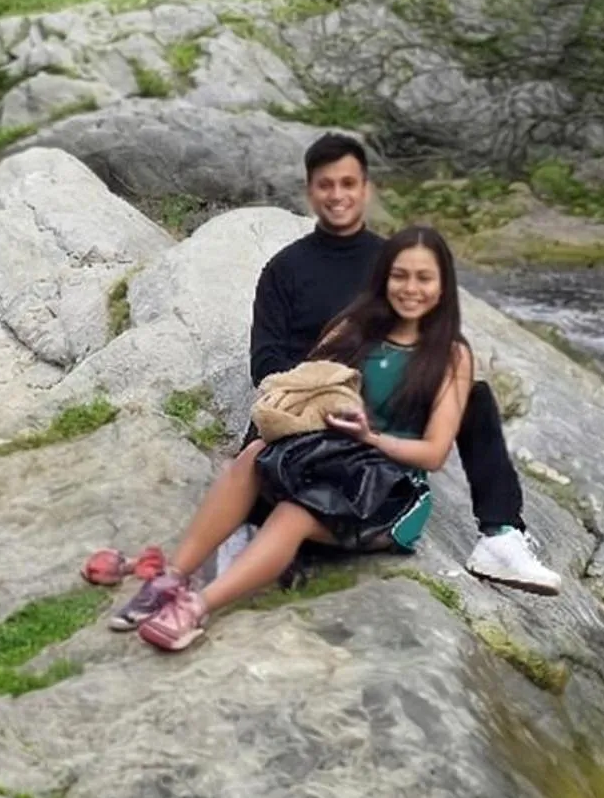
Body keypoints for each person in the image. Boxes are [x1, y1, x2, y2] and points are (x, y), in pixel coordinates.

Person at [118, 226, 475, 651]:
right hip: (334, 454)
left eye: (424, 278)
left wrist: (372, 437)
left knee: (296, 511)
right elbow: (302, 385)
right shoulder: (352, 326)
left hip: (388, 489)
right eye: (400, 276)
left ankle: (197, 606)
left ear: (443, 285)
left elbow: (434, 453)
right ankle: (172, 578)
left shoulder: (452, 355)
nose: (410, 288)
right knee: (253, 455)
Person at [247, 132, 560, 594]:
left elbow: (426, 340)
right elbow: (266, 363)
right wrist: (331, 389)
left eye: (349, 183)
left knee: (472, 394)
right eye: (326, 185)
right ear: (310, 191)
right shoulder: (284, 269)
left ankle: (500, 535)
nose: (338, 196)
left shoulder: (392, 262)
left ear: (366, 189)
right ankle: (266, 531)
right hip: (315, 406)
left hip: (384, 408)